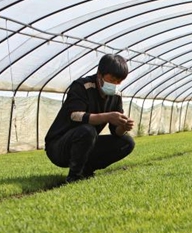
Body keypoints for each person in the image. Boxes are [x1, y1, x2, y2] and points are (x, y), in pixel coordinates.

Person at [45, 53, 136, 183]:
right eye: (112, 79)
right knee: (87, 130)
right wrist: (107, 116)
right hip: (59, 147)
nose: (115, 84)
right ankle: (74, 177)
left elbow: (115, 131)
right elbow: (75, 115)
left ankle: (86, 170)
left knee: (126, 142)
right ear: (100, 74)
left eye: (119, 81)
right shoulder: (81, 86)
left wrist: (123, 127)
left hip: (86, 143)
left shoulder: (116, 97)